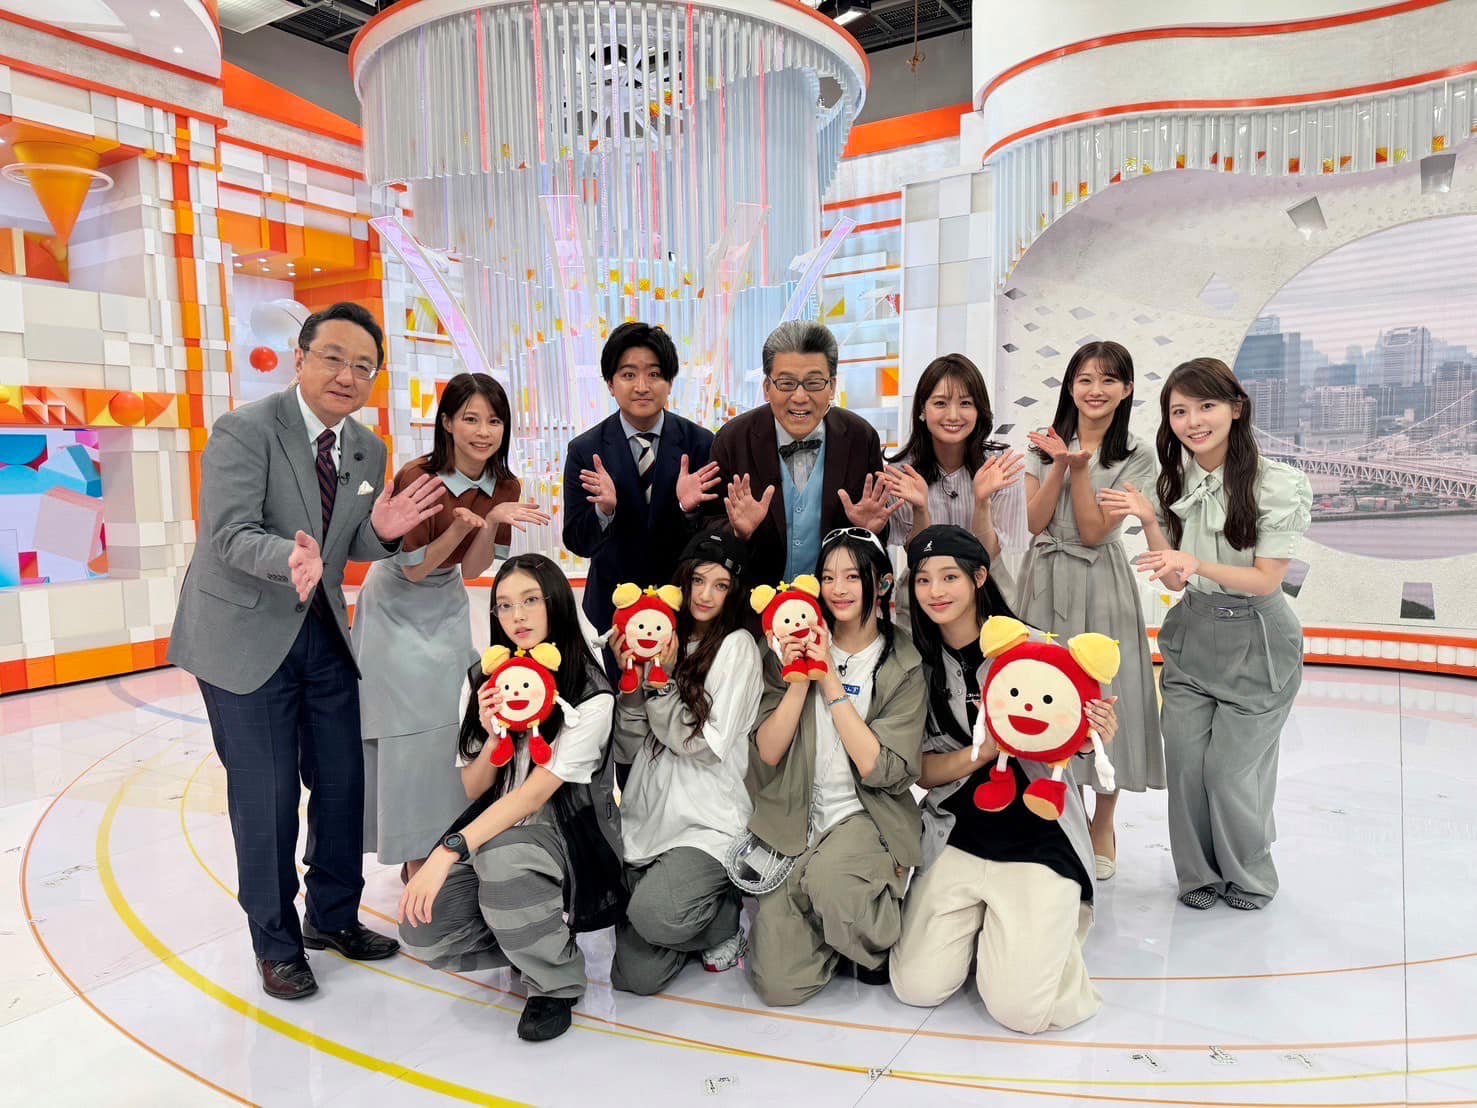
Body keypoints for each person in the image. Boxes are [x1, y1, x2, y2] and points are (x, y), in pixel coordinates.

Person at [168, 302, 446, 1000]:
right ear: (299, 359)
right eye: (333, 358)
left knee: (342, 783)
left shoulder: (368, 448)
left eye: (363, 366)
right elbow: (229, 534)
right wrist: (286, 559)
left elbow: (352, 540)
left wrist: (383, 531)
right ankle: (276, 943)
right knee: (265, 798)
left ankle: (333, 917)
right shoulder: (245, 430)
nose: (347, 376)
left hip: (322, 633)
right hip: (244, 639)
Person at [1099, 358, 1311, 911]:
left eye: (1206, 406)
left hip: (1258, 640)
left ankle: (1251, 875)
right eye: (1179, 411)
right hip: (1193, 634)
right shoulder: (1176, 481)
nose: (1192, 421)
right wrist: (1150, 521)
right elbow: (1173, 578)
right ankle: (1197, 874)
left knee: (1230, 772)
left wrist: (1196, 563)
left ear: (1236, 409)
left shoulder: (1278, 484)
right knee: (1187, 766)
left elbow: (1265, 579)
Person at [889, 525, 1119, 1033]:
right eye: (923, 580)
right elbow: (921, 770)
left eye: (949, 577)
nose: (935, 591)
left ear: (979, 577)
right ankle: (993, 932)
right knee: (916, 986)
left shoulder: (1032, 648)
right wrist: (986, 750)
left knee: (1020, 1011)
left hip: (1038, 831)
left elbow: (1072, 738)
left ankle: (1041, 938)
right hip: (957, 829)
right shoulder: (915, 662)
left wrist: (1091, 735)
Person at [398, 554, 623, 1042]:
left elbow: (534, 794)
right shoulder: (483, 678)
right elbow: (475, 787)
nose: (516, 616)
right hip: (496, 825)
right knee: (424, 929)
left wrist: (448, 850)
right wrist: (491, 735)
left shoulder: (590, 690)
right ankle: (531, 937)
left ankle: (556, 981)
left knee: (503, 858)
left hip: (568, 831)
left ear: (556, 602)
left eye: (530, 600)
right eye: (503, 605)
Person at [352, 373, 549, 881]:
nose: (483, 432)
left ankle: (444, 844)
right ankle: (412, 857)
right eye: (470, 419)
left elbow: (473, 568)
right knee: (407, 732)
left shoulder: (504, 485)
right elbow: (415, 568)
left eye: (494, 421)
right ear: (447, 423)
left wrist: (492, 519)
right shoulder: (419, 477)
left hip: (446, 600)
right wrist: (459, 525)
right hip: (395, 603)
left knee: (452, 721)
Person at [745, 528, 925, 1007]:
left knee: (831, 884)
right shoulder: (784, 643)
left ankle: (872, 933)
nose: (838, 589)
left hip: (865, 817)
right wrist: (798, 678)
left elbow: (880, 768)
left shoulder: (903, 661)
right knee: (778, 986)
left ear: (881, 583)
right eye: (827, 577)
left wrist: (828, 680)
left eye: (852, 576)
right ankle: (833, 925)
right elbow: (768, 751)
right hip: (797, 819)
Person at [1019, 341, 1164, 881]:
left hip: (1100, 577)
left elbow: (1094, 530)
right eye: (1084, 379)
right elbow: (1034, 522)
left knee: (1105, 694)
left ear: (1127, 389)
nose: (1094, 390)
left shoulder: (1137, 454)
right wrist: (1060, 462)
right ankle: (1062, 812)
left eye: (1108, 380)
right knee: (1045, 691)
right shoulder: (1044, 442)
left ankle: (1103, 820)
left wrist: (1079, 469)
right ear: (1070, 386)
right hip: (1044, 578)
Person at [609, 529, 760, 995]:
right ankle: (695, 923)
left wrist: (661, 685)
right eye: (697, 580)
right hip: (647, 815)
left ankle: (724, 914)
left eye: (720, 585)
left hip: (706, 823)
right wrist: (631, 682)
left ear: (735, 591)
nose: (705, 595)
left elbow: (704, 745)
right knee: (634, 978)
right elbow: (627, 748)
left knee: (651, 915)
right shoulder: (658, 637)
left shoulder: (738, 647)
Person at [707, 321, 899, 585]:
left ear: (832, 386)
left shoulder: (860, 437)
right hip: (754, 600)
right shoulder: (733, 439)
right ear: (767, 387)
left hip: (834, 601)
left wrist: (868, 531)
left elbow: (878, 528)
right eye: (786, 383)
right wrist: (738, 532)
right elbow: (708, 526)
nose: (799, 397)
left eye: (813, 383)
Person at [563, 322, 720, 632]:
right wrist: (603, 511)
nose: (642, 386)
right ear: (610, 383)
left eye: (654, 374)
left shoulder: (701, 443)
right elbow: (577, 541)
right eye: (628, 375)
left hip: (684, 604)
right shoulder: (585, 450)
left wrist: (688, 511)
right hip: (614, 607)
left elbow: (715, 536)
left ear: (670, 382)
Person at [882, 352, 1029, 622]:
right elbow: (918, 555)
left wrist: (982, 501)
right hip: (926, 599)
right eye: (940, 403)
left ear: (979, 410)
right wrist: (920, 509)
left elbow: (987, 555)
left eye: (965, 403)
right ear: (922, 410)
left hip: (987, 597)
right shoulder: (901, 473)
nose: (953, 415)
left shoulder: (1001, 467)